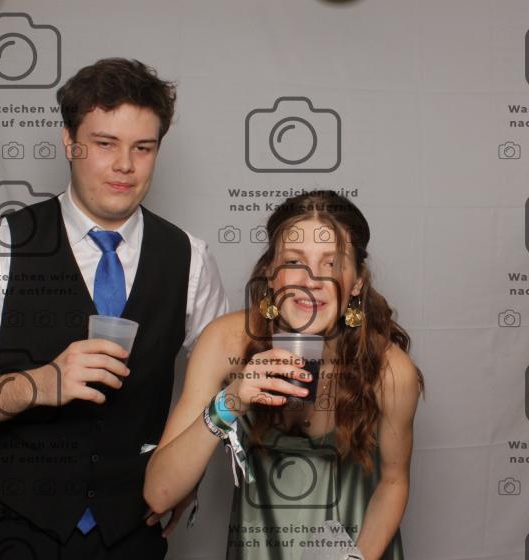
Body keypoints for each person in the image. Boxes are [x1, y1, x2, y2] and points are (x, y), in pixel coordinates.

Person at [0, 58, 228, 559]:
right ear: (69, 142)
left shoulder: (191, 259)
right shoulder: (1, 246)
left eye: (142, 148)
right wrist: (38, 385)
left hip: (130, 533)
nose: (125, 165)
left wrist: (185, 477)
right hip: (9, 531)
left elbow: (220, 388)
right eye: (105, 144)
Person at [143, 190, 425, 560]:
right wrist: (231, 401)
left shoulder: (390, 371)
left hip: (357, 548)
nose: (311, 279)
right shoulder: (224, 342)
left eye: (331, 263)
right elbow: (159, 493)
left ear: (356, 282)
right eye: (294, 261)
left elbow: (393, 482)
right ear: (270, 273)